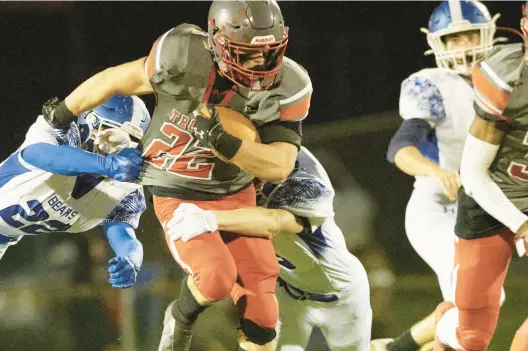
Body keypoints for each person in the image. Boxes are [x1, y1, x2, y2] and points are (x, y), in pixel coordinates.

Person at [40, 1, 312, 350]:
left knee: (261, 309)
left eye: (268, 54)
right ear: (218, 43)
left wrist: (227, 146)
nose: (259, 65)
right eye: (246, 54)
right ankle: (180, 318)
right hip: (179, 188)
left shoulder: (287, 85)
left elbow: (280, 166)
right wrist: (63, 113)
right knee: (215, 278)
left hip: (233, 191)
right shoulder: (183, 55)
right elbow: (115, 79)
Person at [379, 1, 501, 350]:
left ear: (486, 34)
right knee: (477, 308)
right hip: (440, 205)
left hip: (491, 210)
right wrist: (436, 171)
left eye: (470, 35)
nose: (464, 45)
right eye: (454, 38)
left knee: (471, 316)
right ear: (437, 44)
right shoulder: (432, 85)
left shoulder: (507, 81)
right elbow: (400, 148)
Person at [167, 146, 373, 351]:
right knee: (258, 336)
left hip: (340, 295)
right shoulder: (235, 179)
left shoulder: (306, 182)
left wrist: (210, 217)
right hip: (287, 293)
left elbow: (273, 221)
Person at [434, 2, 528, 350]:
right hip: (492, 201)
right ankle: (443, 323)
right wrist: (521, 224)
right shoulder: (508, 78)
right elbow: (473, 173)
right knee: (470, 337)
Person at [0, 94, 150, 289]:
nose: (118, 149)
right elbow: (48, 158)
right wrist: (106, 165)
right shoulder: (59, 133)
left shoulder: (125, 191)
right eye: (113, 136)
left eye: (131, 141)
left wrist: (131, 259)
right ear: (91, 123)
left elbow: (125, 237)